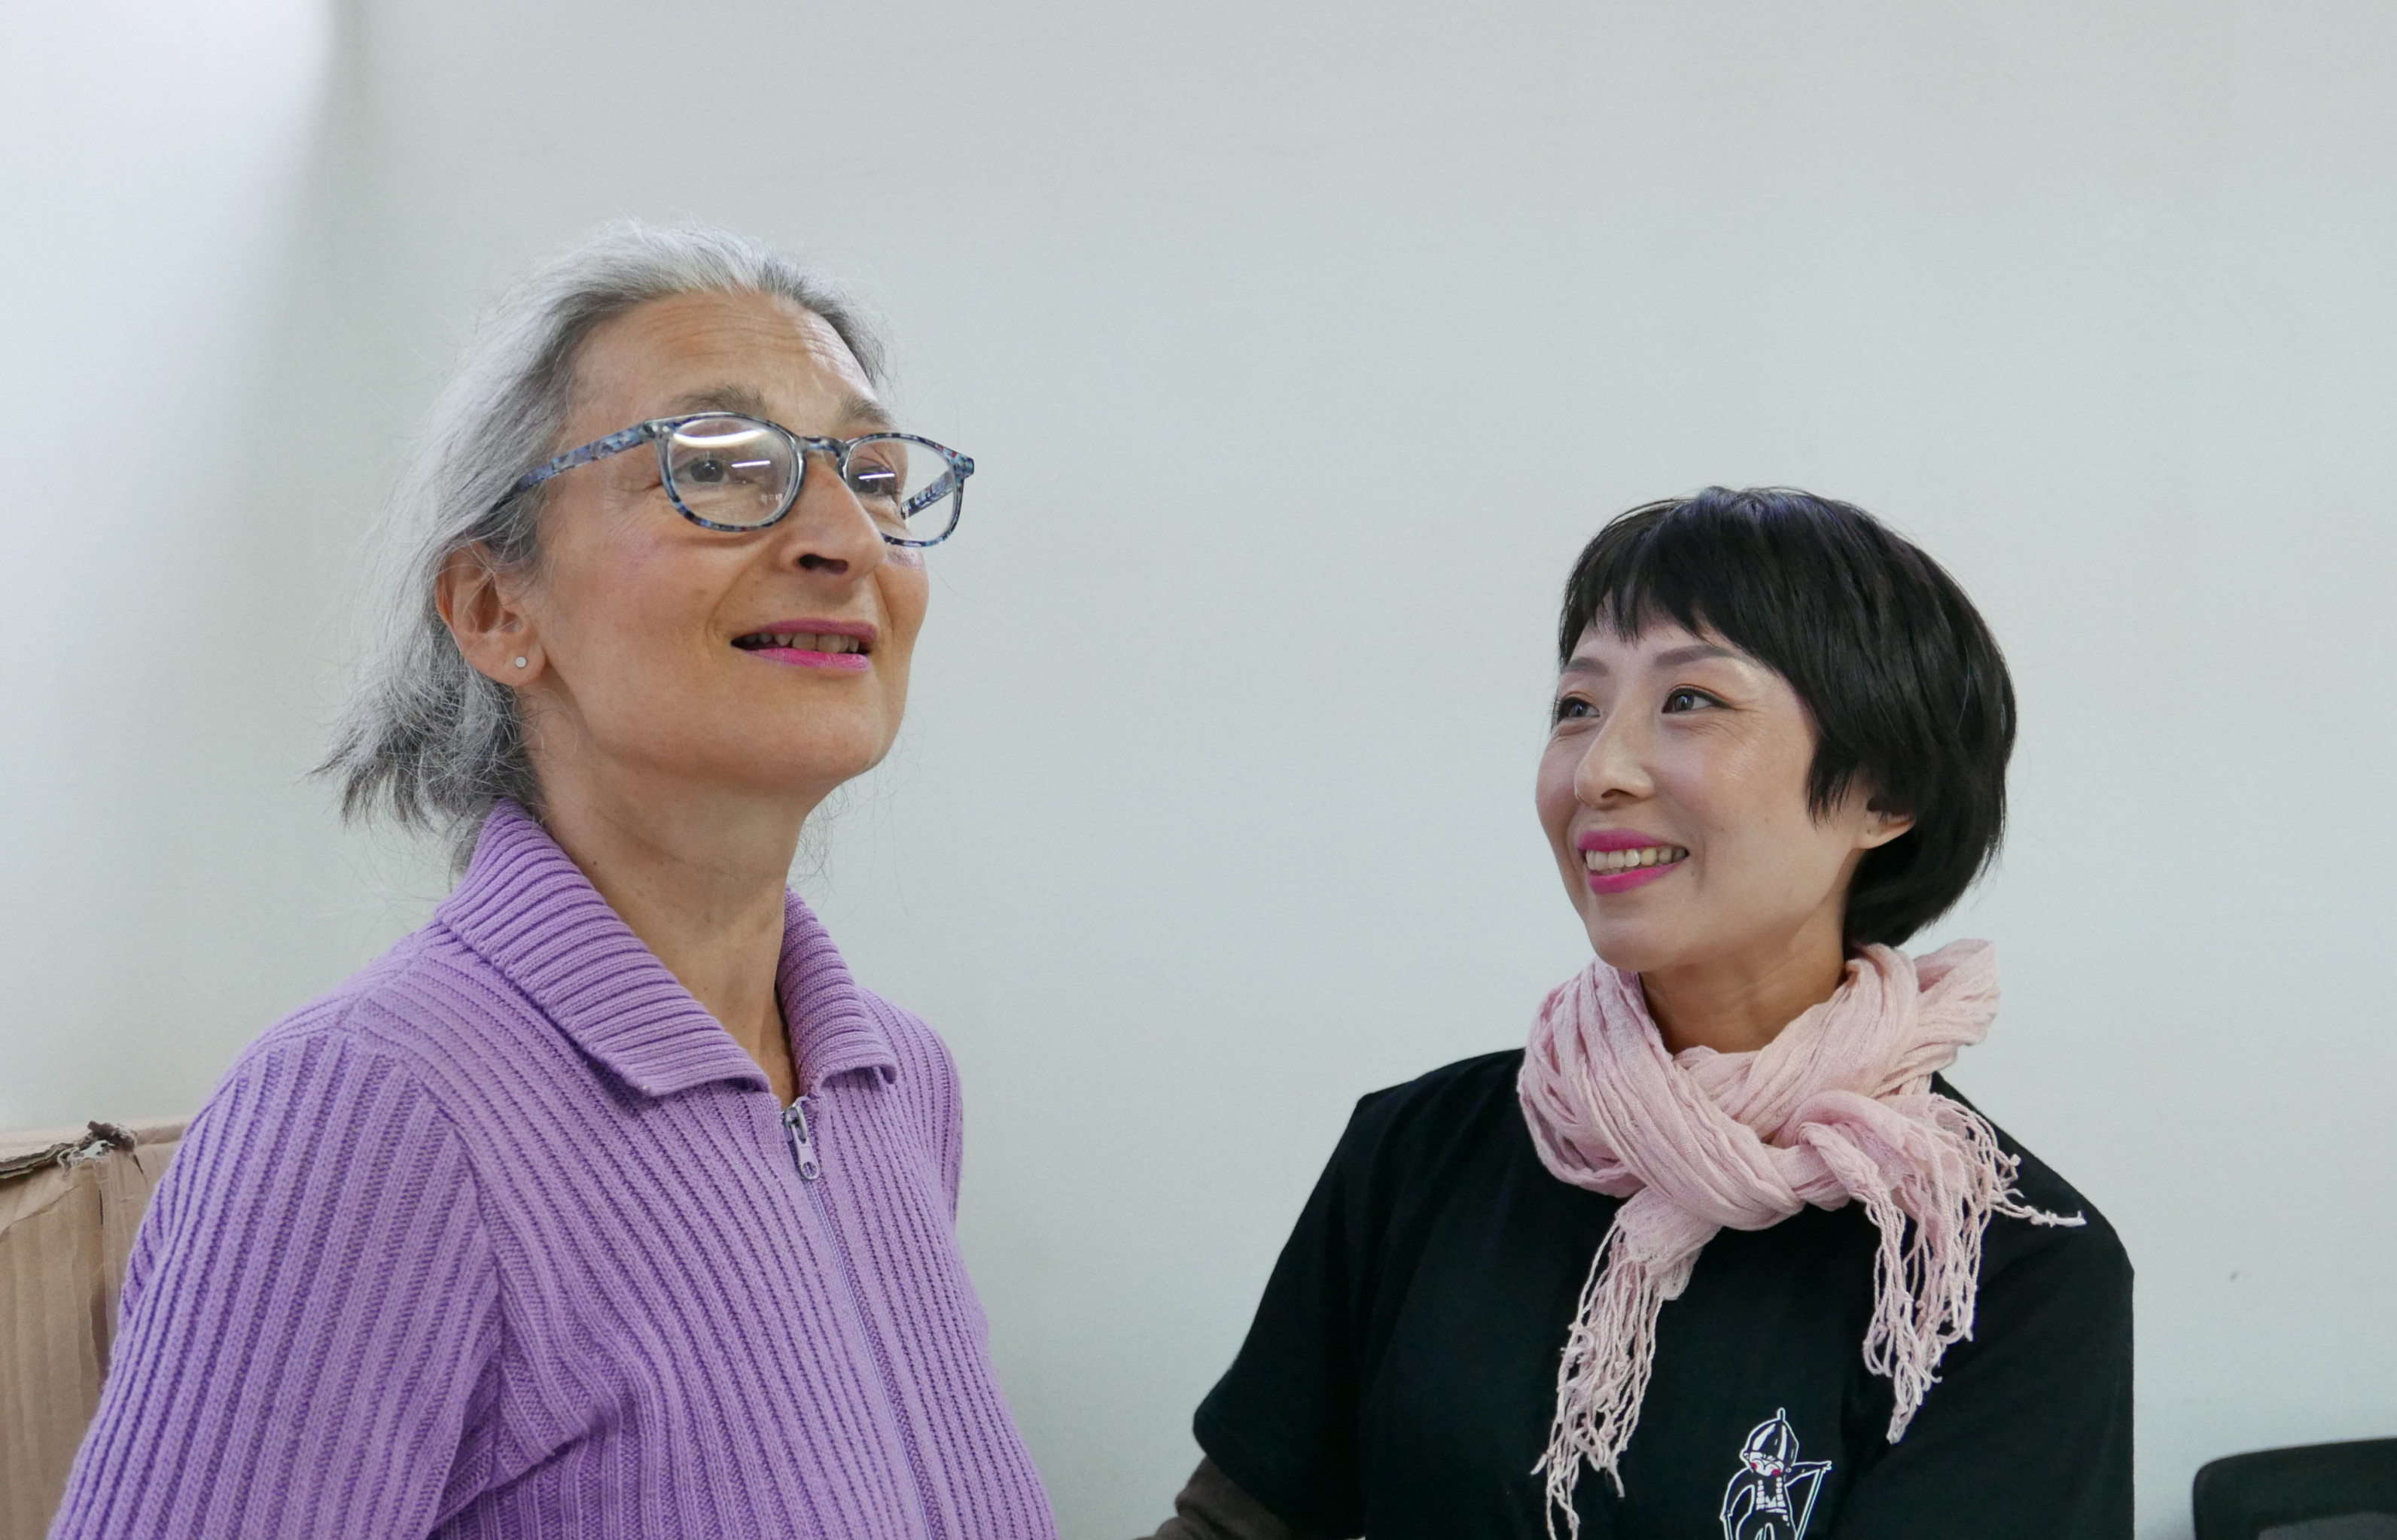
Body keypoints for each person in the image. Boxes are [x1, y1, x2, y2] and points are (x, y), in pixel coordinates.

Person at [53, 224, 1055, 1539]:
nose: (843, 538)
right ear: (494, 610)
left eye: (874, 477)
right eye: (716, 466)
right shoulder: (370, 1113)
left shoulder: (898, 1085)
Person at [1147, 489, 2132, 1540]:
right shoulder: (1419, 1151)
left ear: (1884, 793)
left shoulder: (2003, 1264)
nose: (1599, 771)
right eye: (1577, 707)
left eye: (1690, 699)